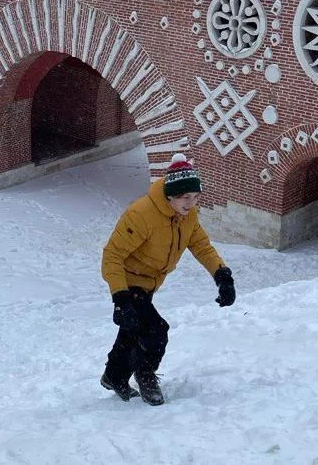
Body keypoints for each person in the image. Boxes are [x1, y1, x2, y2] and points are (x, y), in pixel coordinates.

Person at [100, 154, 236, 405]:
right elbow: (112, 256)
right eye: (186, 198)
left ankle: (113, 376)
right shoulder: (141, 215)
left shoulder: (188, 215)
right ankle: (145, 374)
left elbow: (201, 245)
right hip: (130, 282)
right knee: (155, 331)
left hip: (152, 281)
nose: (191, 204)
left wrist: (222, 276)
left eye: (196, 198)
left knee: (132, 331)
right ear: (171, 195)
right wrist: (121, 298)